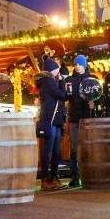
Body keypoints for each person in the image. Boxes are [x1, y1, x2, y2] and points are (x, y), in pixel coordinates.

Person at [63, 54, 95, 188]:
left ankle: (90, 174)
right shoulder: (70, 80)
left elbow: (98, 95)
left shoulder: (92, 79)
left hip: (88, 117)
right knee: (74, 147)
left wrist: (94, 103)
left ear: (85, 65)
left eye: (79, 64)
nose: (77, 67)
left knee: (89, 147)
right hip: (75, 117)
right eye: (75, 64)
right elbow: (65, 96)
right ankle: (75, 176)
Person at [35, 55, 66, 190]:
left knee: (56, 150)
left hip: (55, 120)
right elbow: (61, 95)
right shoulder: (47, 82)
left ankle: (53, 177)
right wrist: (61, 82)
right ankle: (45, 179)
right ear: (50, 70)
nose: (58, 71)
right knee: (48, 150)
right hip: (49, 120)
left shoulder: (50, 81)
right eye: (56, 69)